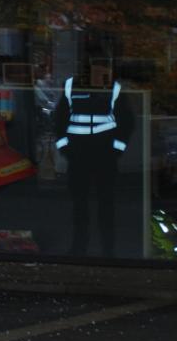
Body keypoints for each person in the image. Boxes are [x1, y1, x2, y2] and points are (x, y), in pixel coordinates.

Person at [54, 47, 134, 257]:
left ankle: (108, 250)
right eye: (95, 65)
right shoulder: (71, 86)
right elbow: (59, 119)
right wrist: (64, 147)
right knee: (80, 204)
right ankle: (80, 247)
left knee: (105, 204)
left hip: (103, 155)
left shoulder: (114, 88)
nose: (99, 69)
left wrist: (115, 150)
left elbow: (127, 122)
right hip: (79, 155)